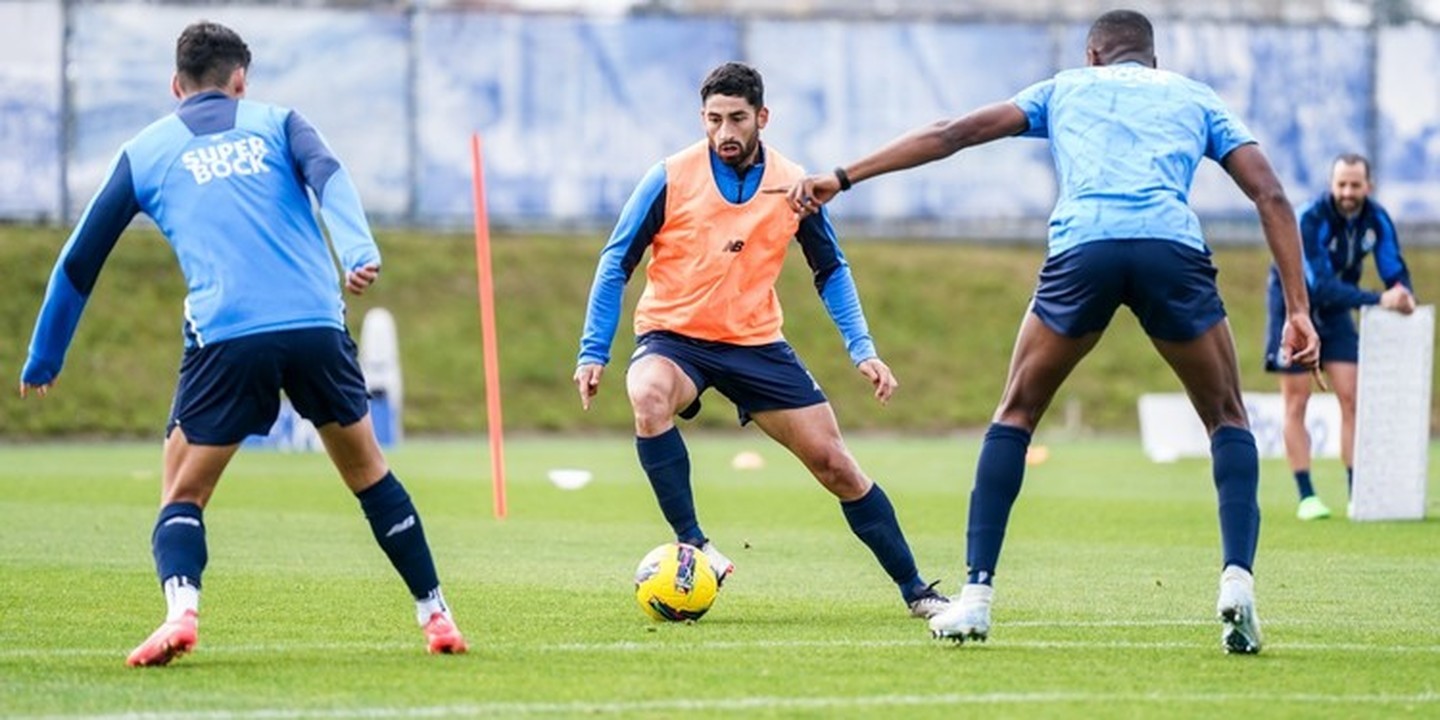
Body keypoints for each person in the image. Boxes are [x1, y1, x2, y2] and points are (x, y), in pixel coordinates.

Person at [786, 10, 1320, 654]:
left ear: (1094, 54)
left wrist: (842, 177)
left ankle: (976, 598)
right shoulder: (1194, 96)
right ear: (1151, 59)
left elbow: (954, 133)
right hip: (1169, 253)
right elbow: (1270, 194)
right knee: (1227, 418)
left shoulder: (1065, 86)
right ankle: (1237, 583)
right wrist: (1297, 308)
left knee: (1016, 414)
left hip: (1084, 253)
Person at [18, 21, 467, 666]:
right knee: (370, 473)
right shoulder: (280, 121)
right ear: (240, 81)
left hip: (229, 334)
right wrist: (359, 251)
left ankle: (181, 611)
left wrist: (46, 353)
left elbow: (78, 260)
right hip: (316, 323)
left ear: (176, 86)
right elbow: (330, 176)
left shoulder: (146, 150)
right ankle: (436, 613)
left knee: (182, 493)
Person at [573, 61, 950, 620]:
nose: (725, 132)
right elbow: (615, 263)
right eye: (713, 119)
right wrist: (593, 350)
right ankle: (695, 545)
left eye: (737, 118)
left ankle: (919, 592)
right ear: (702, 119)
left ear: (762, 117)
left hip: (754, 344)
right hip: (674, 338)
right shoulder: (669, 176)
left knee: (836, 465)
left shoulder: (793, 182)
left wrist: (862, 348)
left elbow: (831, 268)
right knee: (648, 395)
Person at [1264, 153, 1415, 521]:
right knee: (1296, 402)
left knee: (1351, 396)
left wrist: (1403, 292)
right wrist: (1380, 299)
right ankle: (1307, 496)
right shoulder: (1310, 218)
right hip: (1295, 309)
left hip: (1334, 313)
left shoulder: (1376, 218)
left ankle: (1356, 493)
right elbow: (1321, 285)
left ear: (1368, 186)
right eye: (1341, 184)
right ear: (1332, 184)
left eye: (1355, 184)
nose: (1347, 191)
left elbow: (1393, 267)